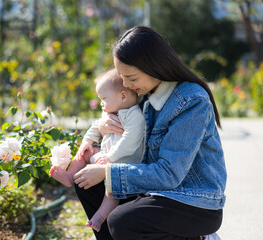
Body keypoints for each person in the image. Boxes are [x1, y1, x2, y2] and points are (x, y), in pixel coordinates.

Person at [73, 26, 227, 240]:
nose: (125, 85)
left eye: (132, 78)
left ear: (154, 67)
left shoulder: (191, 101)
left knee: (123, 221)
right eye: (122, 77)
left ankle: (198, 238)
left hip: (194, 202)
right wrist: (101, 128)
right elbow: (111, 115)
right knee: (85, 183)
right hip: (154, 190)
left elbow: (169, 174)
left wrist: (108, 172)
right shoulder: (142, 92)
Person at [50, 68, 145, 232]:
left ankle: (99, 217)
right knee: (86, 152)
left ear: (123, 96)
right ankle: (69, 175)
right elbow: (95, 127)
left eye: (104, 98)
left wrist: (110, 158)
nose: (101, 103)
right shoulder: (109, 112)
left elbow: (130, 141)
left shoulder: (134, 115)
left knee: (112, 190)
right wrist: (87, 141)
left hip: (121, 164)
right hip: (104, 157)